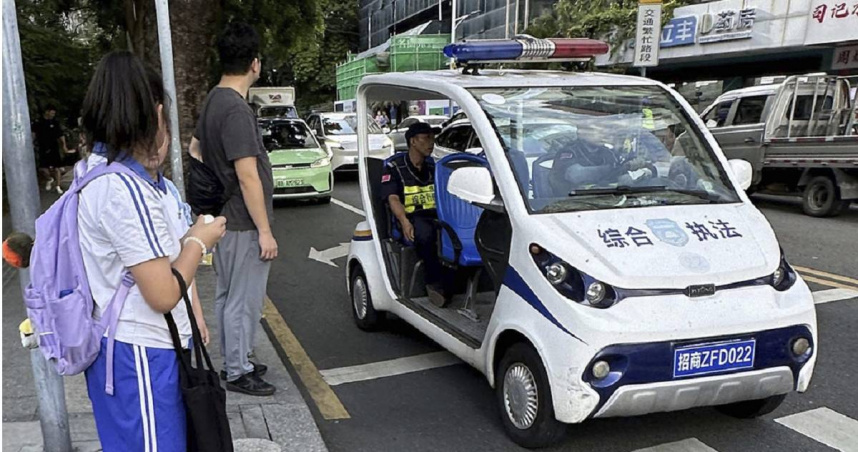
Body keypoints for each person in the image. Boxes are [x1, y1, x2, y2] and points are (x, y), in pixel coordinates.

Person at [79, 51, 226, 451]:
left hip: (140, 348)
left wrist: (193, 314)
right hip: (139, 352)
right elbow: (161, 293)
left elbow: (162, 256)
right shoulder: (122, 189)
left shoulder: (113, 175)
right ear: (156, 113)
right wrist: (201, 239)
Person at [189, 22, 277, 396]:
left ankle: (235, 358)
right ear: (255, 64)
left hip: (225, 215)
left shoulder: (213, 99)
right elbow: (248, 176)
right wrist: (266, 231)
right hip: (243, 220)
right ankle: (238, 371)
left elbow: (195, 150)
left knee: (228, 295)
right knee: (244, 300)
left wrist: (215, 185)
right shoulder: (237, 110)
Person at [381, 122, 453, 307]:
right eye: (426, 138)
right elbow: (393, 198)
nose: (431, 143)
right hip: (413, 217)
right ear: (413, 141)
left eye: (433, 138)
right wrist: (404, 221)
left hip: (437, 215)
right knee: (426, 234)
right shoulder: (394, 166)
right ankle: (433, 284)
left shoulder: (434, 165)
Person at [32, 104, 75, 194]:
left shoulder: (55, 123)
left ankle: (58, 186)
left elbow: (60, 135)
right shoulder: (38, 122)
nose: (53, 115)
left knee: (57, 168)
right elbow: (33, 134)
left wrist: (64, 146)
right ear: (47, 112)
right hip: (42, 147)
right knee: (42, 168)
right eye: (51, 113)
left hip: (53, 147)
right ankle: (49, 179)